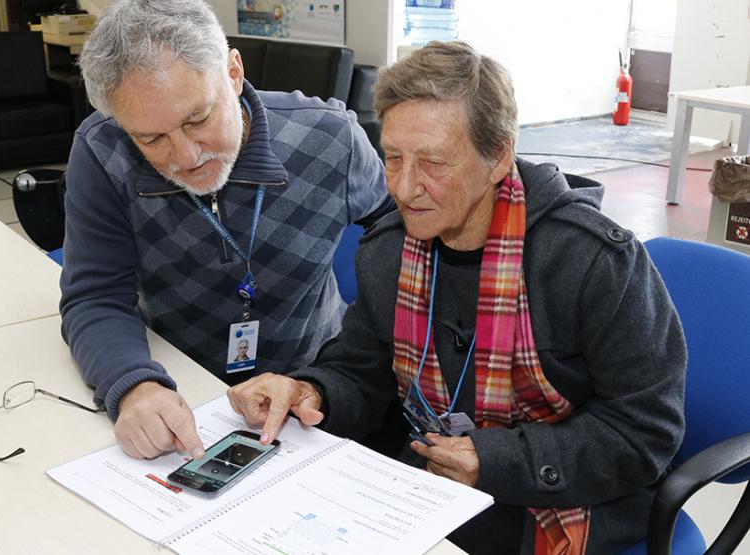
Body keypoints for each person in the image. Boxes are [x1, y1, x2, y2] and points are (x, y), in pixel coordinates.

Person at [227, 41, 686, 554]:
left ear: (499, 157)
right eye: (393, 158)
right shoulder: (387, 252)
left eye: (434, 163)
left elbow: (645, 431)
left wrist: (495, 461)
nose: (403, 188)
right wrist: (314, 392)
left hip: (566, 491)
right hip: (435, 473)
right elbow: (360, 372)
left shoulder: (592, 262)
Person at [60, 0, 391, 462]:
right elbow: (95, 294)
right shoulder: (102, 151)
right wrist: (134, 383)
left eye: (198, 119)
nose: (186, 156)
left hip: (310, 390)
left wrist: (348, 363)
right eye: (151, 139)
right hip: (182, 385)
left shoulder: (331, 137)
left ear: (233, 72)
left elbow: (403, 240)